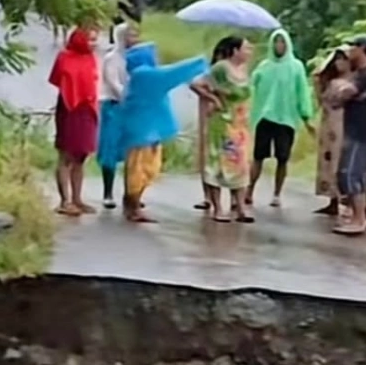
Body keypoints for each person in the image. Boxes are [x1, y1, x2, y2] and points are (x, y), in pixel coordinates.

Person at [100, 42, 208, 221]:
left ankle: (132, 205)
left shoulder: (141, 75)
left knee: (145, 168)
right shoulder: (144, 75)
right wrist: (200, 62)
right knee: (139, 170)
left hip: (145, 130)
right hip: (142, 131)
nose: (156, 58)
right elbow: (172, 74)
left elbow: (168, 74)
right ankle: (132, 207)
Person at [190, 36, 255, 223]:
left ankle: (240, 207)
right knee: (217, 164)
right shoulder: (221, 68)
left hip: (240, 125)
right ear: (235, 51)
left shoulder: (243, 69)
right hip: (221, 122)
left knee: (240, 165)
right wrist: (213, 98)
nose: (249, 52)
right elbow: (196, 84)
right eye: (246, 48)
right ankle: (218, 208)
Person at [247, 29, 314, 208]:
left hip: (286, 119)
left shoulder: (296, 67)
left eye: (282, 42)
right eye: (276, 42)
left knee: (282, 158)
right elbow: (250, 86)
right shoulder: (264, 66)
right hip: (265, 117)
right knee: (258, 156)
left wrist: (306, 116)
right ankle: (249, 190)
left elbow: (302, 92)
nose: (279, 46)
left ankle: (277, 194)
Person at [331, 35, 366, 236]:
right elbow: (336, 98)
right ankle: (357, 215)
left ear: (362, 49)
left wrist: (341, 90)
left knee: (354, 174)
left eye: (353, 46)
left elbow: (345, 93)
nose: (350, 50)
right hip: (352, 129)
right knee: (346, 174)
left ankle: (359, 219)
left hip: (361, 132)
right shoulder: (358, 73)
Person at [49, 27, 99, 216]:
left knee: (81, 156)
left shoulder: (90, 58)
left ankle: (77, 199)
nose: (94, 44)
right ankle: (65, 201)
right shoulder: (64, 57)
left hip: (87, 108)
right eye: (90, 40)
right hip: (69, 108)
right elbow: (57, 79)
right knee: (66, 155)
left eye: (95, 40)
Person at [98, 22, 141, 209]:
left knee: (133, 151)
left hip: (133, 109)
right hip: (114, 107)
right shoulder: (112, 58)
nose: (134, 40)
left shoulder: (137, 58)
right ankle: (107, 193)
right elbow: (114, 83)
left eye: (136, 35)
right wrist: (128, 97)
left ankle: (131, 193)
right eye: (130, 35)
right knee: (110, 149)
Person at [313, 46, 351, 216]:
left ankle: (347, 201)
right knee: (328, 162)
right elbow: (320, 96)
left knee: (341, 162)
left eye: (343, 59)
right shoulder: (330, 81)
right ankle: (332, 200)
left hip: (344, 126)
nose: (339, 63)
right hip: (328, 126)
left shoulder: (353, 82)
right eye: (337, 59)